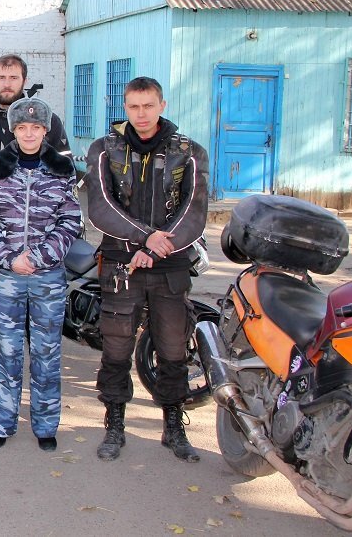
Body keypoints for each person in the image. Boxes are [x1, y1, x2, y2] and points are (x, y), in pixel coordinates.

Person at [85, 76, 209, 463]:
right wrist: (144, 239)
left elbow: (194, 211)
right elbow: (101, 207)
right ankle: (114, 425)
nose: (141, 114)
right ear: (124, 107)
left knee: (172, 348)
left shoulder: (188, 152)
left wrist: (154, 248)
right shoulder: (104, 149)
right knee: (116, 347)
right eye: (134, 106)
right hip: (121, 263)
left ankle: (173, 426)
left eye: (148, 106)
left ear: (162, 106)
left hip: (170, 263)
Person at [0, 54, 71, 406]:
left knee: (34, 316)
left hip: (38, 240)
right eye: (2, 77)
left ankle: (32, 388)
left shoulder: (47, 120)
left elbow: (65, 174)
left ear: (24, 80)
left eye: (14, 77)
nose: (7, 83)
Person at [0, 98, 80, 451]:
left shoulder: (62, 170)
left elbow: (70, 221)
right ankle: (2, 424)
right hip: (7, 276)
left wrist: (39, 257)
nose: (29, 134)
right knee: (7, 351)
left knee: (47, 352)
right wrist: (8, 257)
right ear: (13, 130)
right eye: (22, 127)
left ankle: (46, 426)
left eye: (36, 128)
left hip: (47, 276)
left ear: (45, 130)